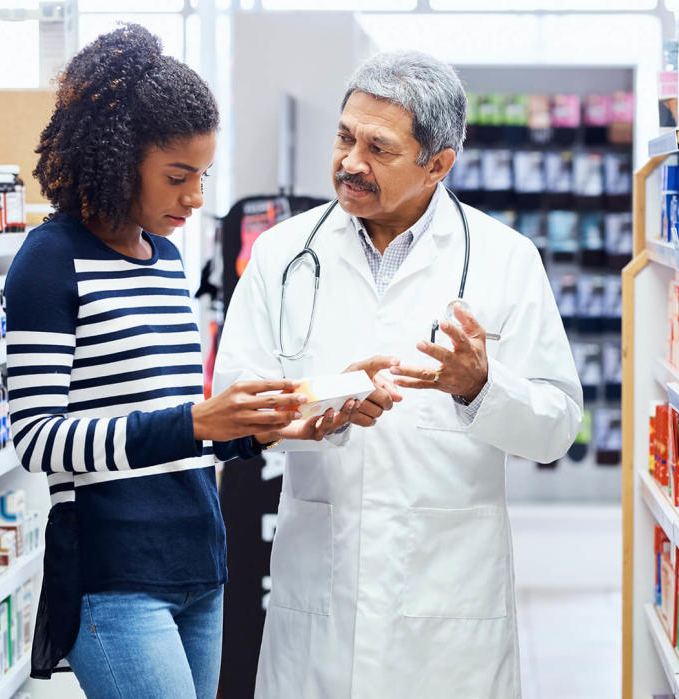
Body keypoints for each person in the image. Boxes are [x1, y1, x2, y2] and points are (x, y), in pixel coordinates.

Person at [214, 50, 582, 698]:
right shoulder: (281, 254)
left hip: (446, 610)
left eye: (379, 148)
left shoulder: (504, 260)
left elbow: (556, 428)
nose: (351, 162)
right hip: (319, 601)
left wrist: (480, 387)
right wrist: (314, 411)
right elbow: (230, 405)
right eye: (345, 136)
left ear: (438, 163)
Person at [7, 24, 355, 699]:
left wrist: (265, 427)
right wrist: (197, 420)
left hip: (200, 557)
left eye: (202, 175)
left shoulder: (165, 262)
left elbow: (175, 437)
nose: (195, 197)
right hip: (114, 576)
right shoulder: (49, 262)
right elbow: (38, 438)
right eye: (177, 176)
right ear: (117, 157)